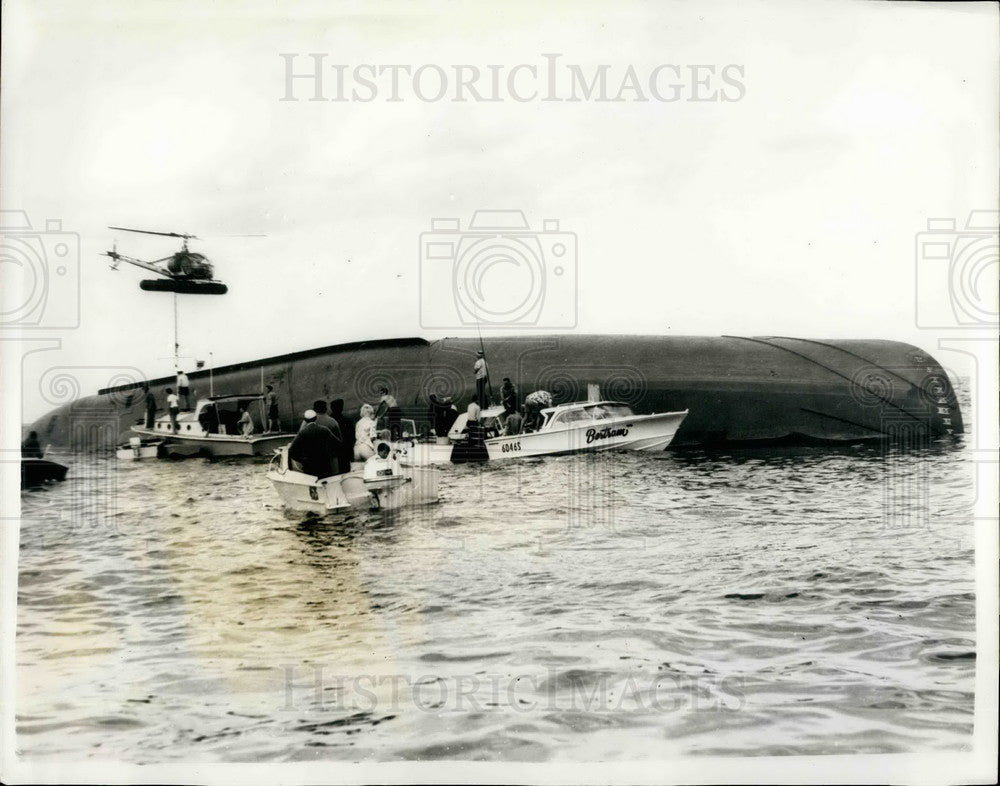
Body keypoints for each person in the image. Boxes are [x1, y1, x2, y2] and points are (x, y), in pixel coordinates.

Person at [288, 409, 339, 479]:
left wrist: (302, 460)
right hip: (325, 464)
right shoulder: (324, 430)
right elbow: (337, 444)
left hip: (309, 466)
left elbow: (291, 451)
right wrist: (329, 455)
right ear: (316, 418)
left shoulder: (302, 433)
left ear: (305, 420)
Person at [330, 399, 354, 473]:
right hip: (345, 453)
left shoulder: (329, 421)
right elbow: (352, 439)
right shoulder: (347, 421)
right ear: (342, 408)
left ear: (331, 408)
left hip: (332, 455)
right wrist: (351, 455)